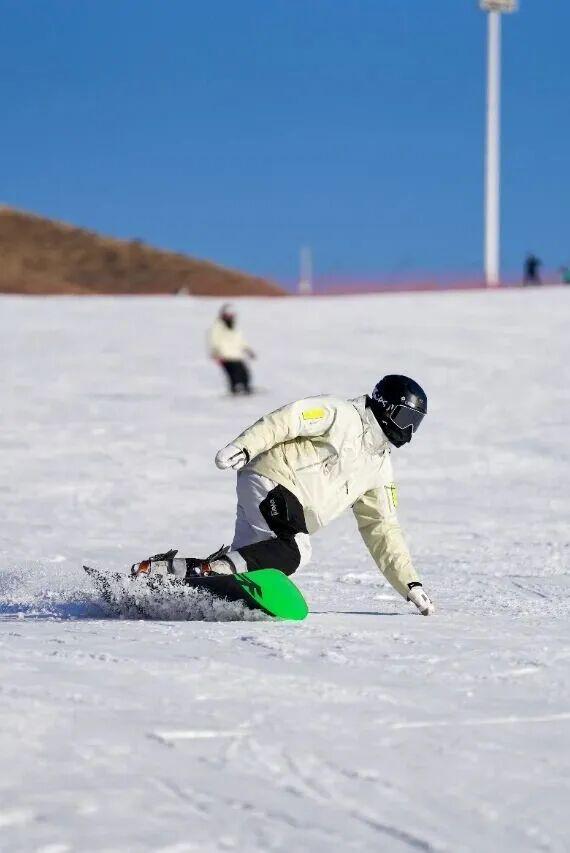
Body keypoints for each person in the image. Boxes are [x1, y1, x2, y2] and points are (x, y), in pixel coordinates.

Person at [132, 375, 435, 616]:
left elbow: (382, 528)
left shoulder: (379, 467)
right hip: (272, 478)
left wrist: (409, 583)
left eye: (415, 424)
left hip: (284, 511)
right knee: (297, 550)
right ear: (385, 406)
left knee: (251, 563)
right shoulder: (341, 414)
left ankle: (162, 573)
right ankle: (208, 570)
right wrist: (244, 445)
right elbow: (290, 418)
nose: (407, 431)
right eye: (405, 417)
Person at [208, 304, 255, 394]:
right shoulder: (217, 328)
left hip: (237, 356)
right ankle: (234, 392)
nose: (230, 317)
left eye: (232, 315)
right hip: (226, 357)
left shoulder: (235, 328)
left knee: (245, 374)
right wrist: (216, 354)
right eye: (228, 315)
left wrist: (248, 350)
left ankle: (246, 390)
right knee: (233, 376)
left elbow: (240, 340)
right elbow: (214, 342)